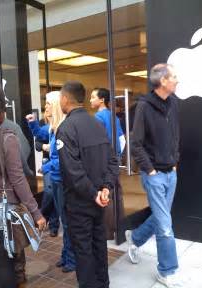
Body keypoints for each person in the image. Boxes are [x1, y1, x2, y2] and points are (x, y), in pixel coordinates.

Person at [57, 81, 119, 288]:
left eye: (59, 98)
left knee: (83, 252)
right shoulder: (97, 124)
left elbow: (72, 171)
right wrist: (105, 188)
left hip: (80, 203)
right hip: (99, 200)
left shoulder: (66, 128)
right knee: (99, 246)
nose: (59, 102)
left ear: (65, 99)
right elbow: (113, 160)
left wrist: (95, 193)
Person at [125, 64, 180, 288]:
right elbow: (135, 143)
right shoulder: (144, 107)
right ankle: (166, 271)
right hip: (154, 175)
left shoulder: (173, 103)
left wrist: (175, 161)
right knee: (165, 225)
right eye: (174, 76)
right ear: (163, 81)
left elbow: (175, 134)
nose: (177, 80)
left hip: (170, 173)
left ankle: (135, 238)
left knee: (161, 217)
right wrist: (150, 170)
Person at [0, 85, 46, 288]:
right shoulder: (6, 137)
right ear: (0, 110)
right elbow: (18, 179)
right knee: (5, 262)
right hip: (1, 209)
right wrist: (36, 212)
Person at [26, 91, 76, 273]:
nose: (45, 107)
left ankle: (71, 258)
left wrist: (45, 168)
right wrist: (32, 123)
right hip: (56, 181)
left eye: (48, 104)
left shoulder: (63, 128)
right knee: (65, 220)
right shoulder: (54, 127)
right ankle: (66, 255)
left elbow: (64, 159)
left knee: (68, 222)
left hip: (63, 182)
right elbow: (39, 134)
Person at [90, 87, 125, 240]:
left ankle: (107, 232)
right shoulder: (114, 117)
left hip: (103, 161)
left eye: (92, 97)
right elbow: (122, 140)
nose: (90, 100)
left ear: (101, 100)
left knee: (106, 193)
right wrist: (117, 155)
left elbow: (95, 144)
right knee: (117, 192)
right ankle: (120, 226)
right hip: (114, 160)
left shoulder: (97, 118)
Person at [35, 111, 60, 237]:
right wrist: (45, 146)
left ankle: (53, 224)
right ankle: (43, 217)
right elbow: (37, 145)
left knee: (54, 193)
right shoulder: (42, 123)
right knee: (49, 192)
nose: (47, 108)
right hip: (47, 161)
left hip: (58, 162)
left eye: (49, 105)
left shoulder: (61, 121)